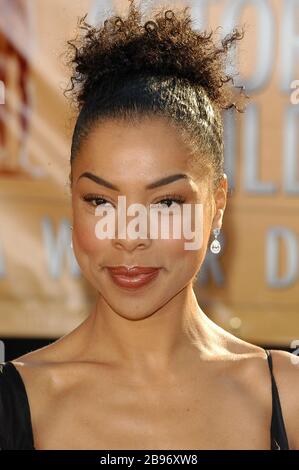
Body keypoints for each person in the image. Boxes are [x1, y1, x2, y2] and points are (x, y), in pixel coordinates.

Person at [0, 0, 298, 450]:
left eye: (165, 203)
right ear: (71, 199)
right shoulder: (14, 404)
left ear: (217, 204)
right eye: (100, 200)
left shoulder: (286, 398)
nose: (129, 235)